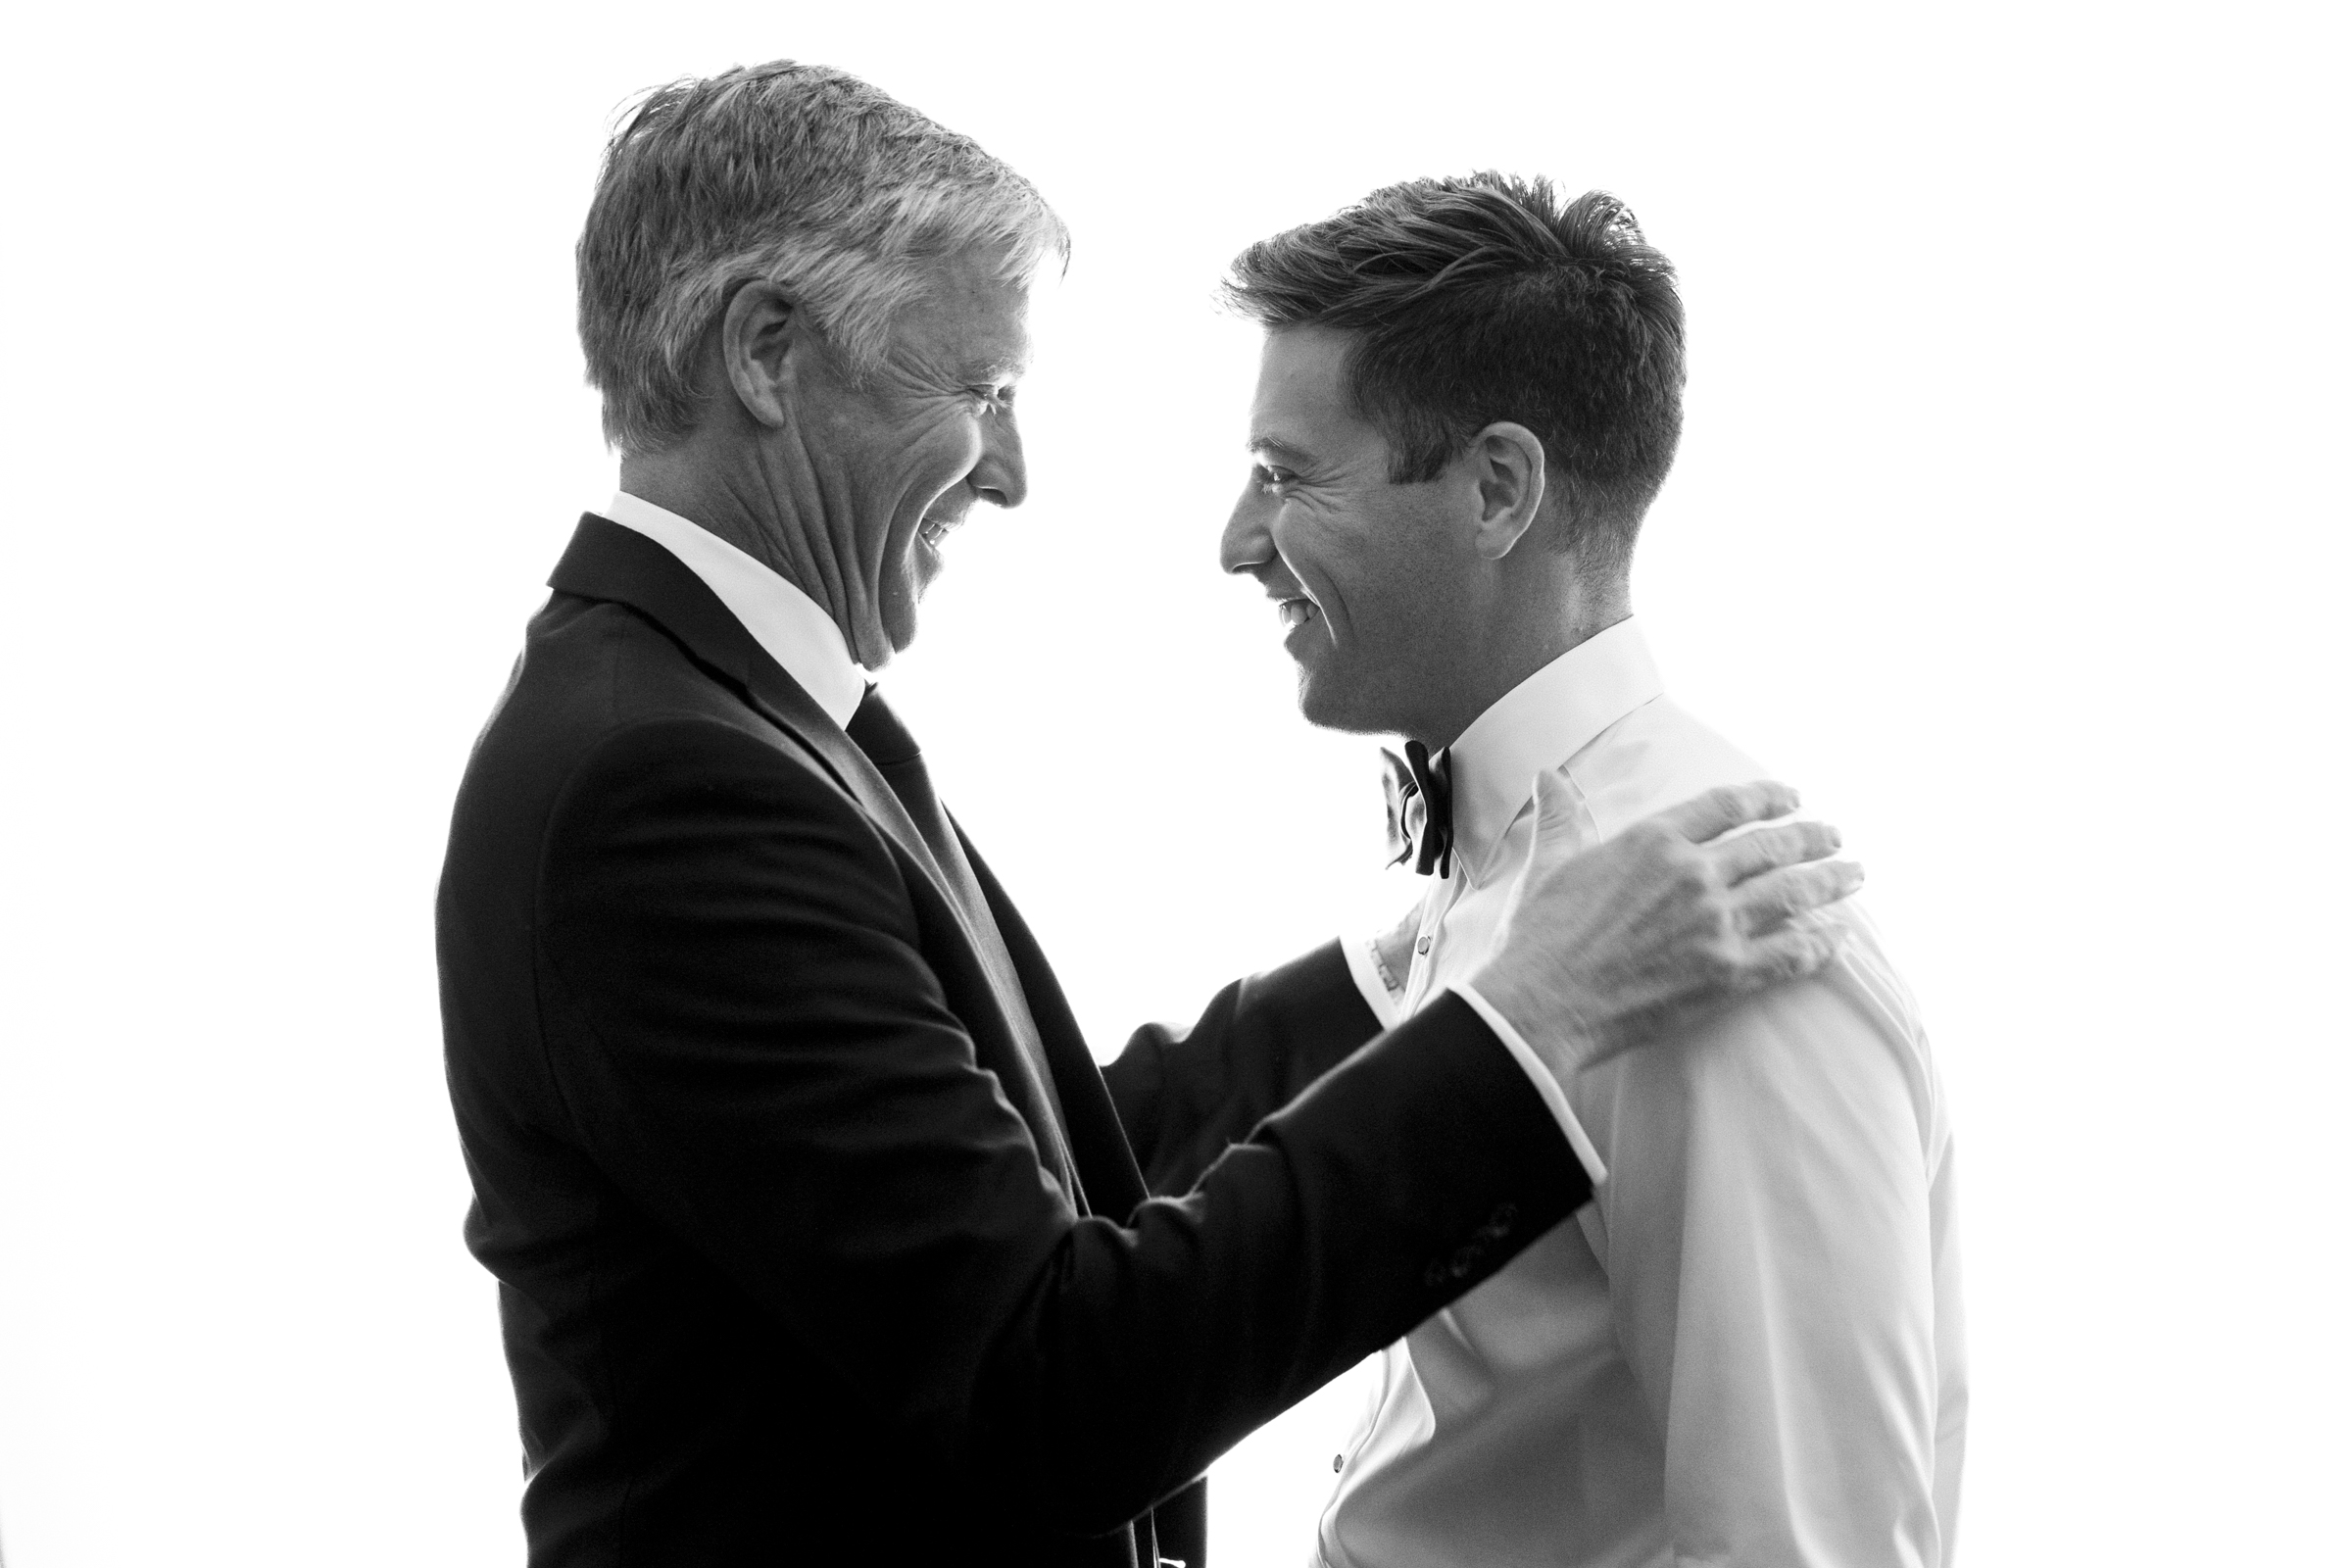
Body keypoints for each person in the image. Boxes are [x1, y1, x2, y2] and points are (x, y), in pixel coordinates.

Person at [435, 64, 1861, 1567]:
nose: (1014, 471)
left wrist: (1413, 981)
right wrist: (1528, 1020)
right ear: (770, 353)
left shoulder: (717, 717)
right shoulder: (662, 787)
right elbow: (1044, 1380)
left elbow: (1021, 1168)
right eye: (979, 391)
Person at [1218, 175, 1966, 1567]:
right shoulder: (1502, 893)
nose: (1235, 546)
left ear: (1498, 487)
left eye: (1286, 477)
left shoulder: (1726, 944)